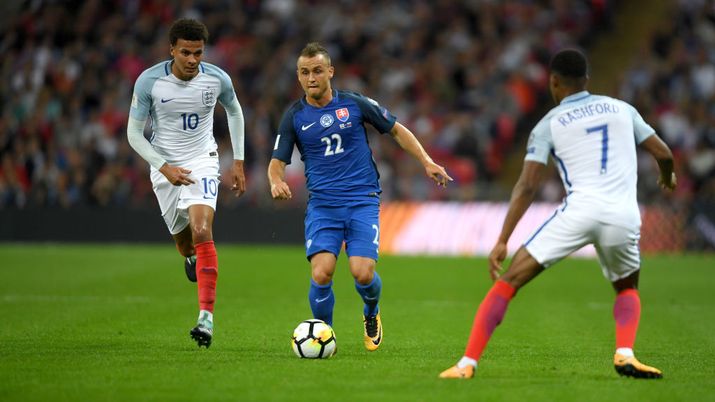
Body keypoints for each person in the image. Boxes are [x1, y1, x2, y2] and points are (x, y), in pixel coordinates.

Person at [439, 49, 675, 379]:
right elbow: (663, 153)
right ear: (586, 81)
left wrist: (503, 240)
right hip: (623, 214)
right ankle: (625, 353)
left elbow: (527, 186)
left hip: (579, 213)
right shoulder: (624, 110)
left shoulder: (549, 124)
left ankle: (466, 364)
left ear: (553, 81)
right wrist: (667, 176)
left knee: (509, 281)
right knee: (626, 287)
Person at [268, 42, 452, 351]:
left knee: (363, 273)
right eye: (304, 72)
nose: (311, 78)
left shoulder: (354, 104)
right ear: (298, 76)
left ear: (330, 72)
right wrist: (275, 182)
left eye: (316, 71)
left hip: (361, 199)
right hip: (323, 205)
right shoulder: (294, 117)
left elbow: (396, 129)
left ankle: (371, 311)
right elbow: (276, 162)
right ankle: (324, 334)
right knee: (322, 271)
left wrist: (426, 161)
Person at [126, 18, 246, 348]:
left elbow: (234, 111)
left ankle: (205, 318)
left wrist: (238, 160)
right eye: (185, 53)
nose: (193, 60)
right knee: (184, 244)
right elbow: (134, 133)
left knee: (202, 229)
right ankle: (192, 258)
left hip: (202, 161)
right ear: (172, 51)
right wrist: (163, 167)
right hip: (165, 167)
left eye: (198, 53)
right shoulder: (149, 81)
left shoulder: (216, 78)